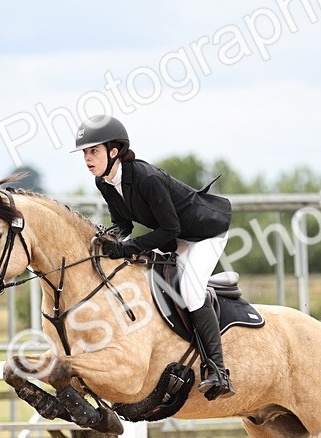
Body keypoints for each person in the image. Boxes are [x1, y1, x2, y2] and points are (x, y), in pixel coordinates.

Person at [73, 115, 235, 400]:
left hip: (204, 234)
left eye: (94, 151)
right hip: (173, 237)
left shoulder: (146, 179)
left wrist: (126, 248)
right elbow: (123, 223)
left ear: (114, 151)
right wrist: (106, 239)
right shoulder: (105, 182)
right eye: (85, 153)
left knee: (191, 291)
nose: (88, 158)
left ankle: (219, 371)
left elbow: (169, 228)